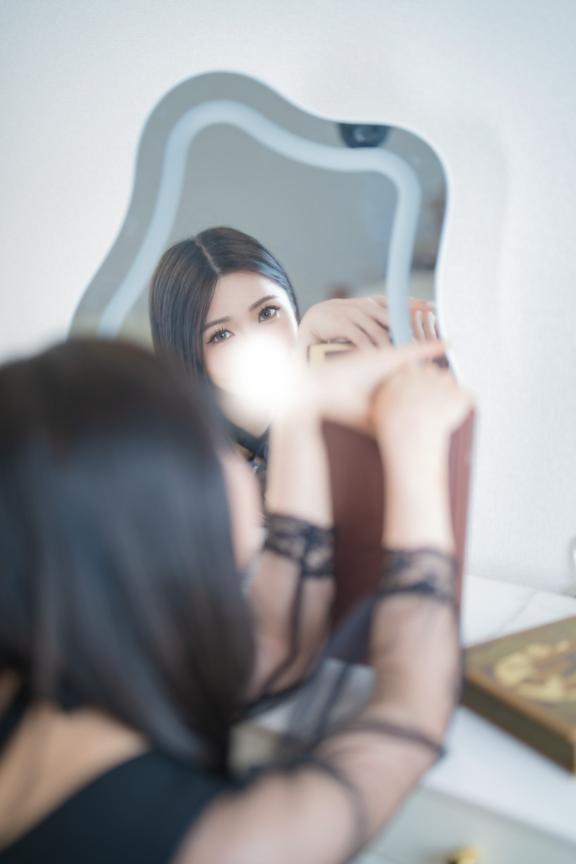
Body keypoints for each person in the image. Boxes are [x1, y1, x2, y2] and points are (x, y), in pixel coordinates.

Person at [0, 336, 471, 863]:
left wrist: (302, 408)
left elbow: (277, 641)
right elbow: (411, 716)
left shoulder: (48, 667)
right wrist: (418, 457)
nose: (234, 464)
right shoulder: (213, 844)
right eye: (208, 444)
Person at [148, 226, 438, 478]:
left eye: (267, 313)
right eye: (221, 335)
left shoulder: (335, 386)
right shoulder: (194, 470)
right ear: (186, 355)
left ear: (291, 303)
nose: (256, 342)